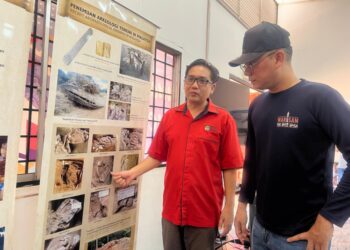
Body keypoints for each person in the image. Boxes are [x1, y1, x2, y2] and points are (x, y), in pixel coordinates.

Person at [229, 21, 350, 250]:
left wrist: (329, 218)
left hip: (302, 238)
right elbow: (253, 161)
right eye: (245, 66)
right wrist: (242, 204)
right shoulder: (258, 105)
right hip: (260, 230)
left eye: (252, 64)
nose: (247, 72)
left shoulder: (321, 99)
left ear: (278, 58)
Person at [112, 59, 243, 250]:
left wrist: (229, 207)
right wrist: (133, 173)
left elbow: (230, 167)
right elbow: (156, 156)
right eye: (190, 79)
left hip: (204, 212)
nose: (195, 85)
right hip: (172, 211)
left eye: (202, 81)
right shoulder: (170, 117)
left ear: (212, 87)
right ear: (184, 82)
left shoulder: (223, 120)